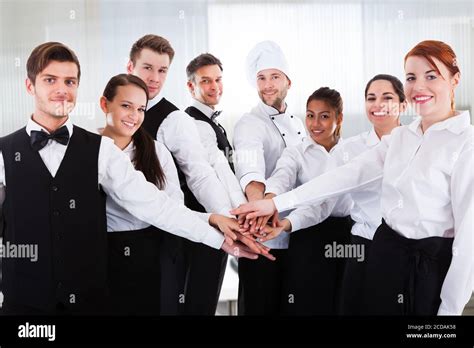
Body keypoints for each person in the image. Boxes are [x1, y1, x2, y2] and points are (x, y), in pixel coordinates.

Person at [0, 42, 265, 315]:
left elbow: (155, 204)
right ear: (30, 86)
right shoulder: (3, 152)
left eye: (70, 81)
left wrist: (218, 236)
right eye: (50, 80)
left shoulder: (101, 150)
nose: (62, 90)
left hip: (88, 302)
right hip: (22, 305)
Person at [232, 40, 473, 315]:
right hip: (385, 259)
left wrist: (449, 313)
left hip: (428, 269)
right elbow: (343, 177)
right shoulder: (403, 137)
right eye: (411, 77)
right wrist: (274, 204)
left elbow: (469, 243)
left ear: (455, 79)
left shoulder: (466, 144)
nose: (419, 86)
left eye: (431, 76)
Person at [126, 35, 258, 315]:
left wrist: (228, 220)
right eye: (147, 68)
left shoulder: (175, 120)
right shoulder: (118, 109)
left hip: (165, 236)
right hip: (120, 241)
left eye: (162, 71)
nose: (154, 78)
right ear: (130, 67)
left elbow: (201, 175)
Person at [258, 87, 353, 315]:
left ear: (339, 118)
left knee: (342, 303)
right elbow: (281, 178)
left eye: (324, 116)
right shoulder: (296, 153)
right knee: (304, 302)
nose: (315, 123)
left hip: (345, 236)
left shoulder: (353, 152)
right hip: (306, 235)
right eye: (310, 115)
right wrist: (270, 202)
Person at [233, 40, 306, 315]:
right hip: (263, 239)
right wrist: (260, 213)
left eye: (274, 77)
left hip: (294, 233)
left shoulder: (299, 123)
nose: (267, 85)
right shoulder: (249, 123)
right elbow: (250, 173)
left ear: (289, 81)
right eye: (261, 78)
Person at [333, 74, 406, 315]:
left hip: (405, 249)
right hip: (362, 248)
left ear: (403, 105)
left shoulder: (420, 145)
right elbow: (326, 192)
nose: (377, 104)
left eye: (387, 97)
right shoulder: (349, 149)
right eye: (371, 98)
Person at [183, 53, 248, 314]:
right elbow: (213, 178)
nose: (214, 87)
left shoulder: (212, 122)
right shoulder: (195, 124)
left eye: (218, 79)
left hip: (216, 226)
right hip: (207, 227)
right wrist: (237, 219)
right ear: (191, 86)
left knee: (204, 299)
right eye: (206, 81)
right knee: (200, 300)